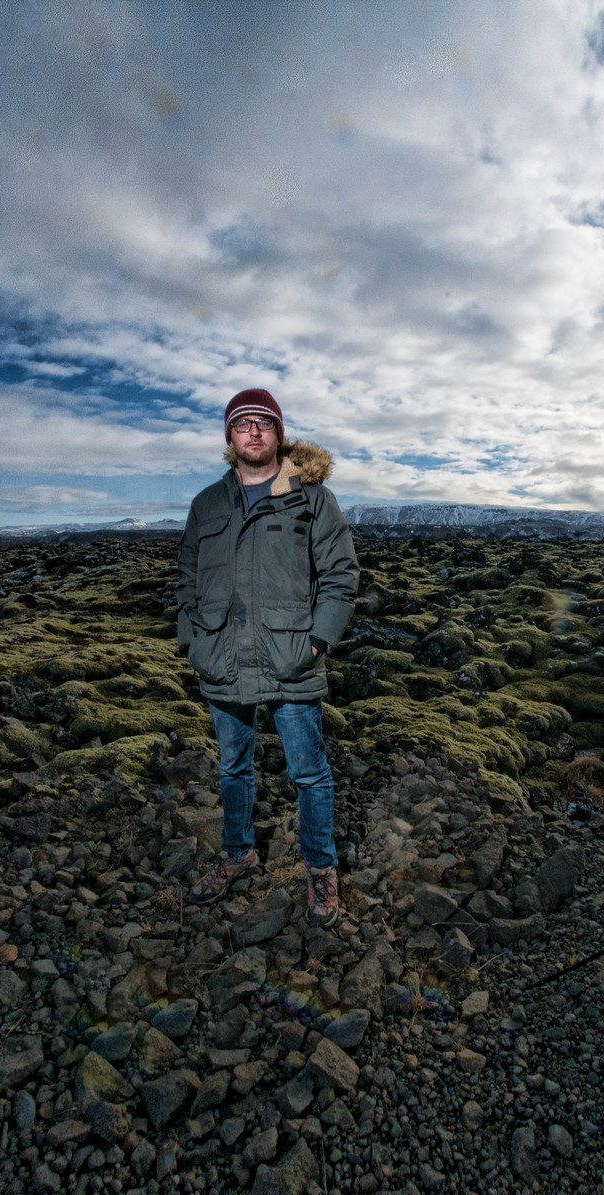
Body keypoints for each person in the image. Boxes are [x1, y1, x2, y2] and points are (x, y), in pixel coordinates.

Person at [175, 388, 359, 926]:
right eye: (242, 424)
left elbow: (341, 576)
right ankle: (237, 854)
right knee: (232, 767)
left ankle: (321, 870)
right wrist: (193, 638)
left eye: (263, 423)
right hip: (222, 657)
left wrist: (318, 641)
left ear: (278, 433)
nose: (253, 431)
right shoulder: (206, 503)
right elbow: (188, 575)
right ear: (230, 438)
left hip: (291, 657)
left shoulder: (312, 498)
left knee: (309, 773)